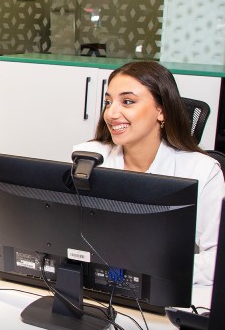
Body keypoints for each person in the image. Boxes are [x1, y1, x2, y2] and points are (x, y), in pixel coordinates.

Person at [74, 60, 225, 285]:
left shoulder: (202, 171)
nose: (111, 113)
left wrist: (153, 269)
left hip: (165, 289)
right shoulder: (88, 158)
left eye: (127, 101)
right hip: (98, 284)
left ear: (161, 111)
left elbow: (218, 260)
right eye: (108, 102)